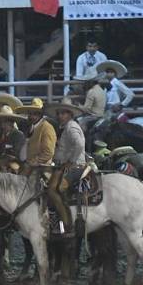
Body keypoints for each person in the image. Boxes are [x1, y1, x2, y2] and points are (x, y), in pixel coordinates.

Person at [45, 97, 87, 236]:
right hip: (67, 165)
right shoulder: (67, 127)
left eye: (63, 113)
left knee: (53, 189)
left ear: (70, 114)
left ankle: (67, 224)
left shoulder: (71, 126)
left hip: (76, 166)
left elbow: (79, 145)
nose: (60, 116)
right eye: (59, 113)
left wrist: (70, 161)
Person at [17, 98, 56, 167]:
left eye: (35, 114)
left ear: (40, 114)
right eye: (30, 113)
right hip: (28, 166)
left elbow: (48, 152)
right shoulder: (31, 126)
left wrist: (33, 162)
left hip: (40, 169)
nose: (31, 116)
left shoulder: (47, 128)